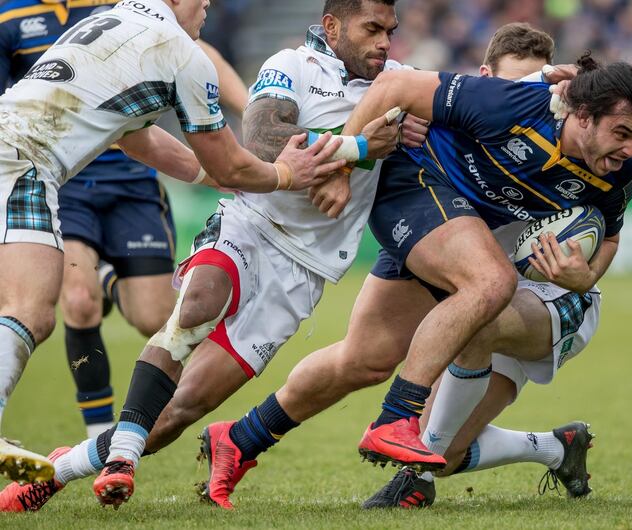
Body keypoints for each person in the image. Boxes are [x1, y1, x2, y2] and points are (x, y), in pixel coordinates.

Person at [0, 0, 410, 512]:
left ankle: (58, 471)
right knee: (192, 308)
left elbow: (141, 138)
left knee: (179, 409)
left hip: (308, 268)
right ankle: (121, 454)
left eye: (390, 31)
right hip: (251, 224)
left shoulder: (401, 82)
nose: (384, 41)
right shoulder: (288, 65)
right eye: (372, 28)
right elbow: (259, 143)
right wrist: (353, 151)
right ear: (332, 25)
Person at [186, 23, 604, 511]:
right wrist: (369, 146)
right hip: (447, 247)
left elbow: (606, 221)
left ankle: (413, 446)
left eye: (537, 91)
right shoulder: (467, 105)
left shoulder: (576, 143)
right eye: (511, 86)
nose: (524, 101)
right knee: (361, 358)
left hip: (539, 297)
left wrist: (587, 273)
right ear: (485, 76)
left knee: (444, 438)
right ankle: (240, 439)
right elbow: (389, 98)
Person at [0, 0, 250, 442]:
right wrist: (277, 175)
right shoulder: (10, 15)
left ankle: (106, 273)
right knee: (73, 301)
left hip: (129, 180)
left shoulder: (121, 8)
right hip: (57, 173)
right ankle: (98, 434)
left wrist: (250, 111)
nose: (208, 2)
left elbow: (196, 59)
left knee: (152, 316)